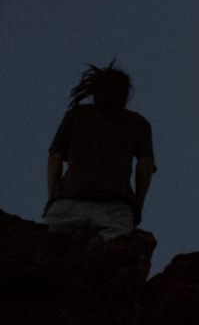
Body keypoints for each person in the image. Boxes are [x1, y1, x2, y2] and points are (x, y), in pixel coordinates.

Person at [44, 61, 156, 240]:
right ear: (125, 95)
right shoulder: (138, 123)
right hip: (115, 206)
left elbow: (55, 157)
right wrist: (137, 204)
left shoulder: (76, 115)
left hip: (68, 201)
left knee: (52, 258)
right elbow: (145, 164)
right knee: (111, 262)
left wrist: (53, 197)